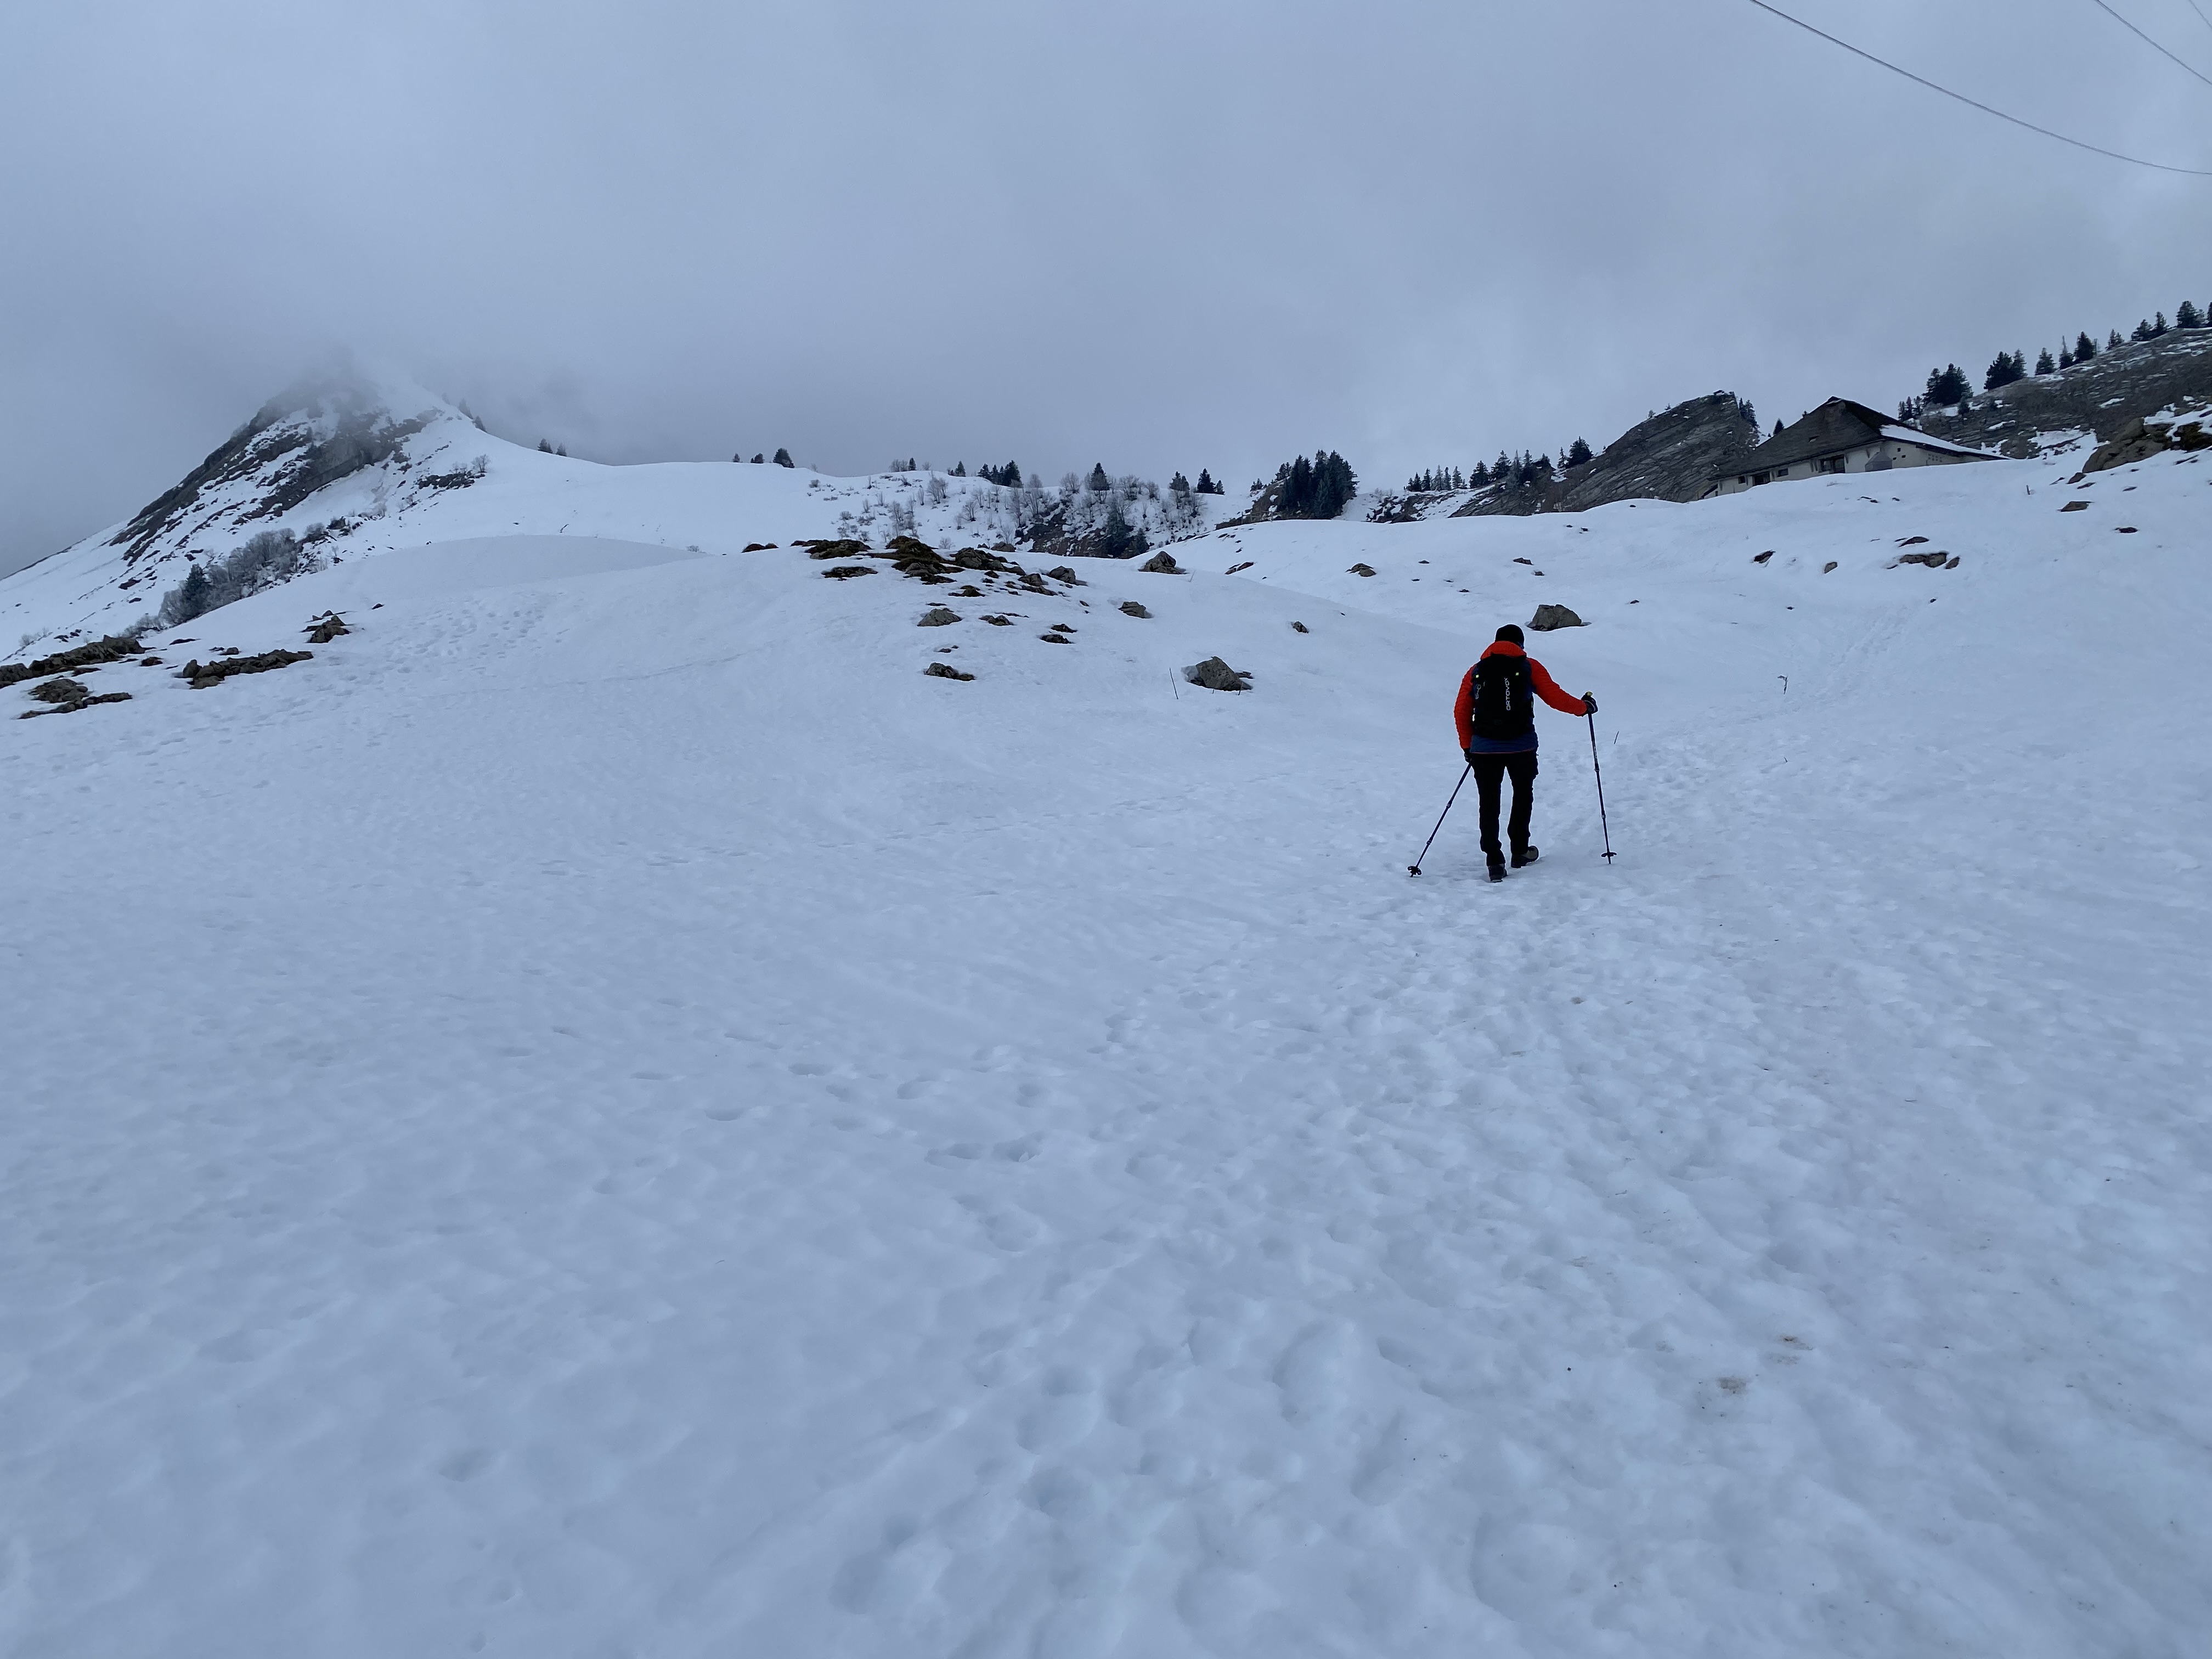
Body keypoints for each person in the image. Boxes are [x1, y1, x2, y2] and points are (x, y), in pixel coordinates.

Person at [1453, 624, 1596, 881]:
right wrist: (1583, 708)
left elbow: (1462, 710)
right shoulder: (1530, 666)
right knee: (1522, 795)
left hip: (1484, 748)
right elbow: (1555, 697)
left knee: (1488, 802)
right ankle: (1520, 850)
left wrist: (1468, 746)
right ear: (1521, 645)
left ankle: (1494, 860)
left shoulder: (1476, 671)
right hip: (1522, 745)